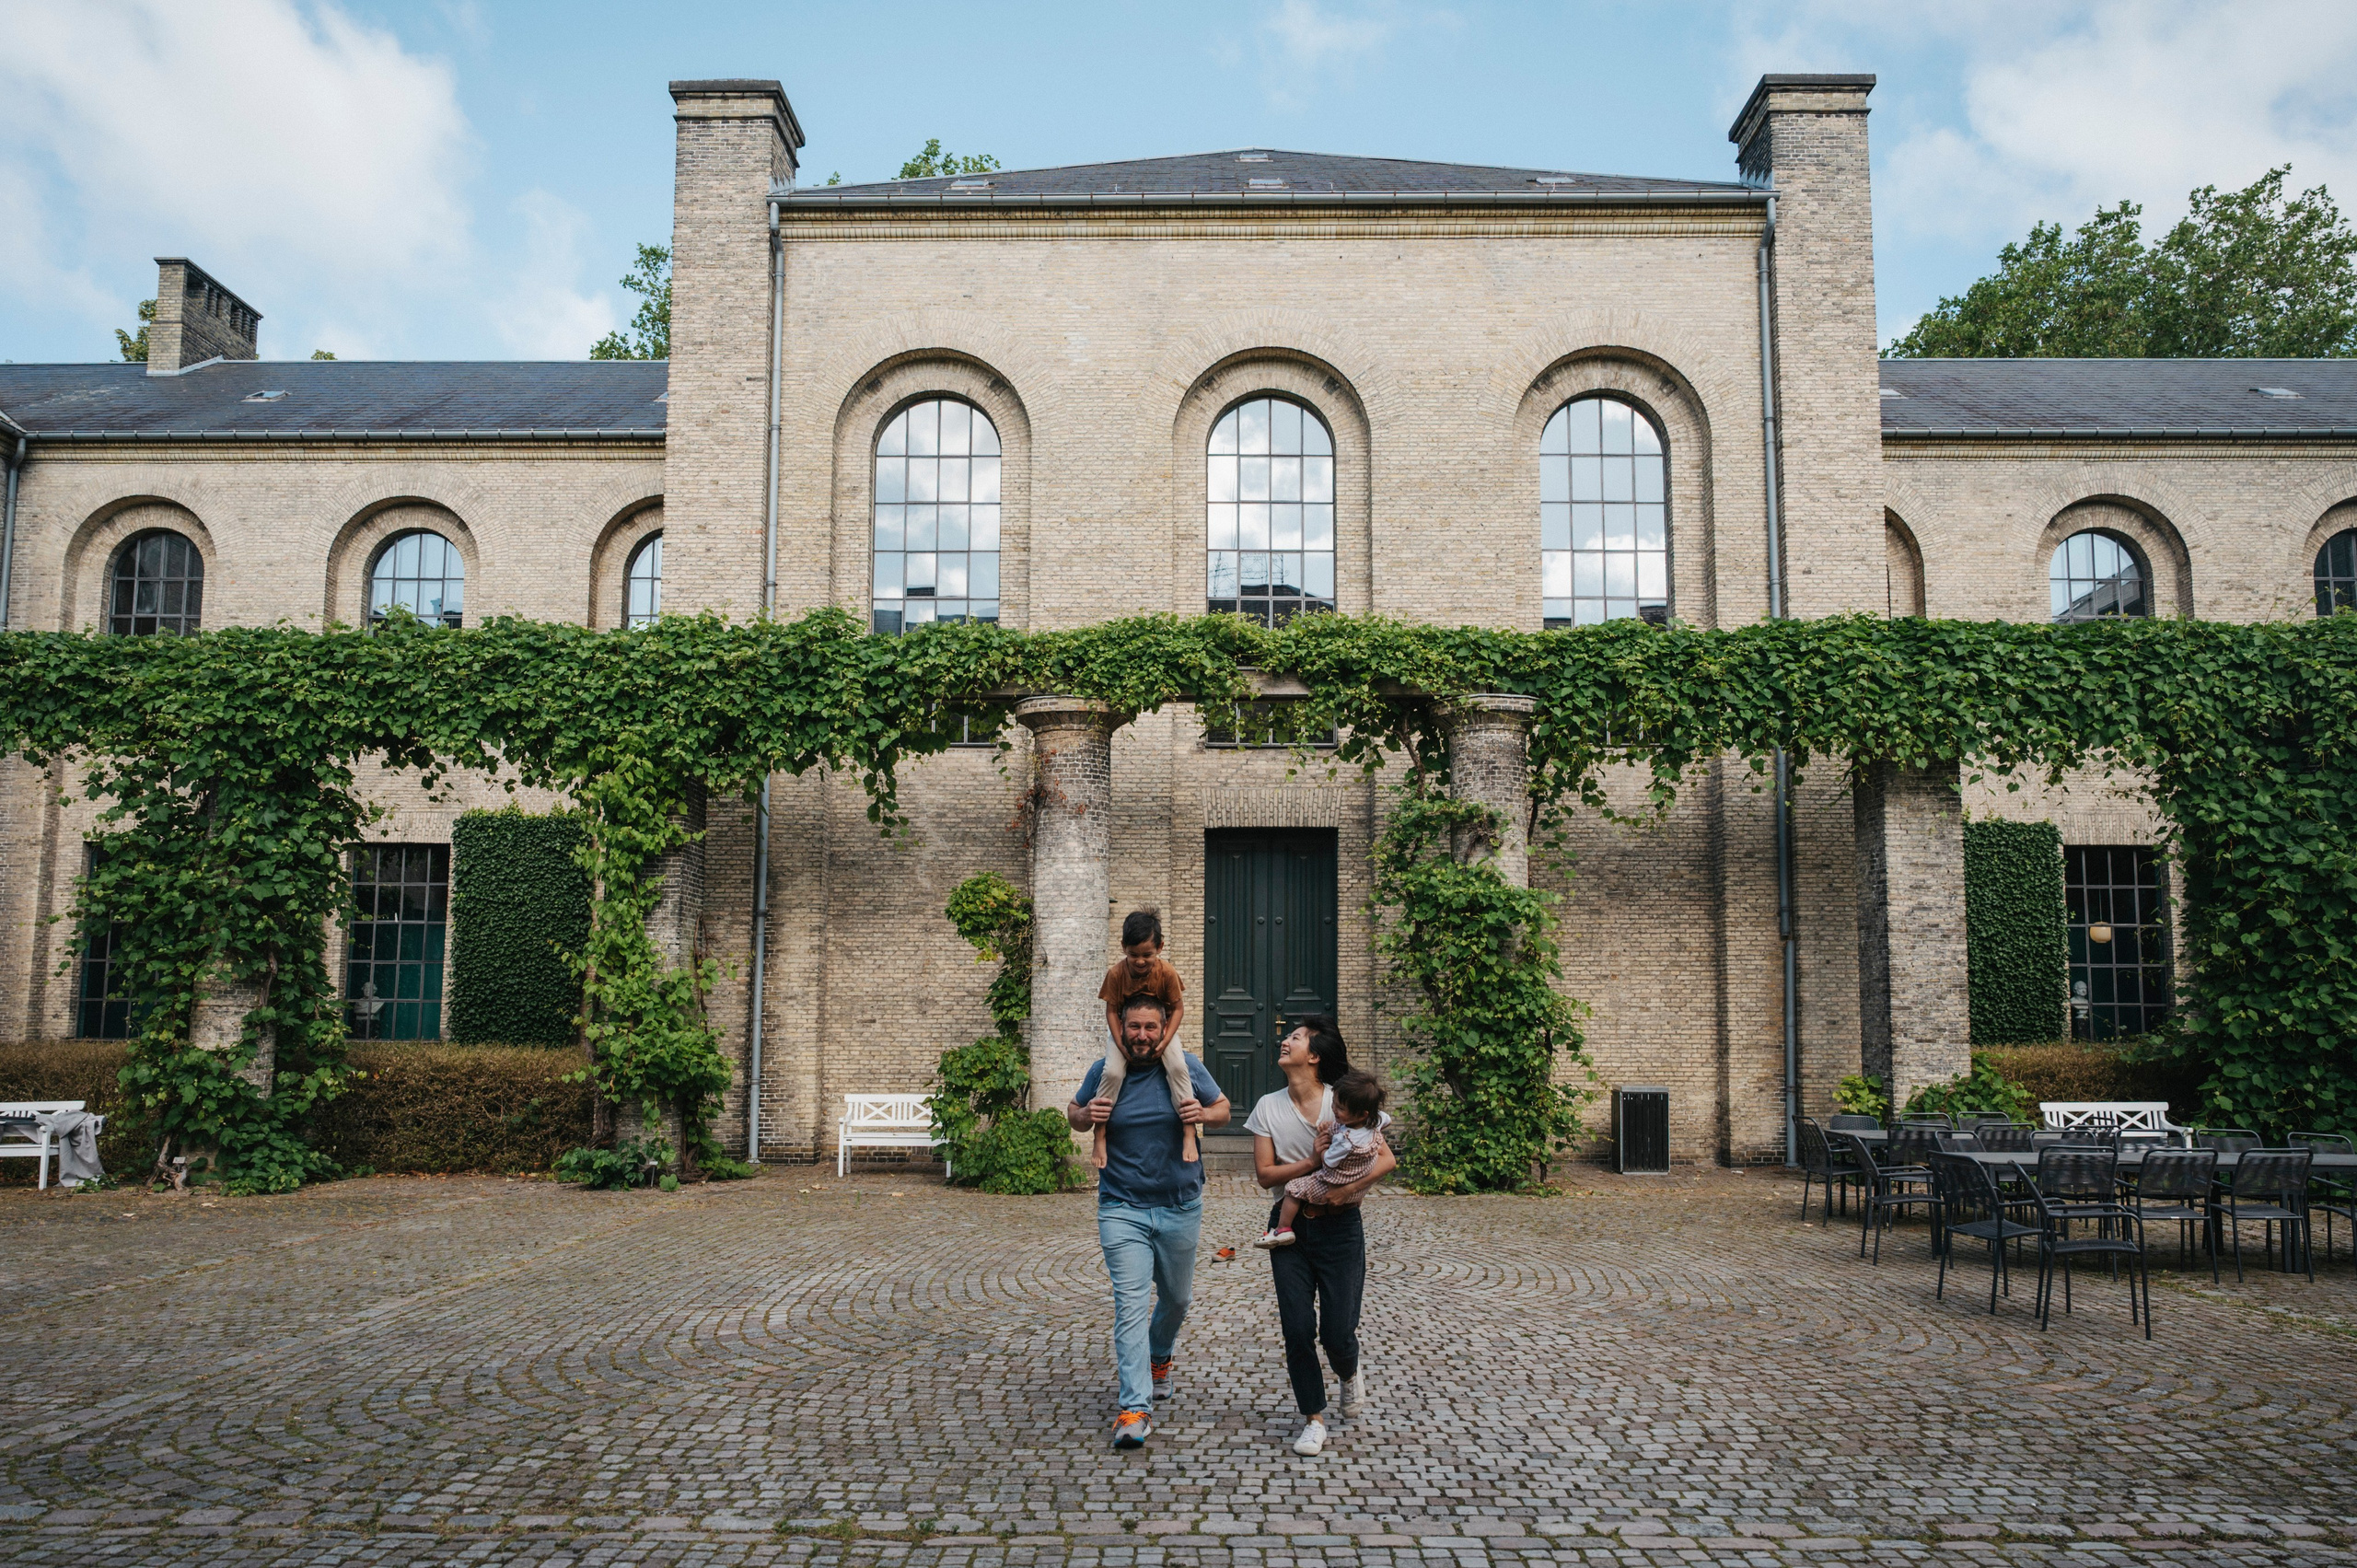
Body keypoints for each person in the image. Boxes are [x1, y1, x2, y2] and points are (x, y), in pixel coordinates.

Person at [1069, 989, 1229, 1449]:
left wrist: (1203, 1113)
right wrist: (1084, 1113)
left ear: (1165, 1029)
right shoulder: (1104, 1071)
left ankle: (1161, 1357)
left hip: (1180, 1204)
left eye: (1150, 1027)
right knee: (1130, 1304)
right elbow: (1074, 1114)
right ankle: (1135, 1407)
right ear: (1120, 1027)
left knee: (1177, 1299)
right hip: (1121, 1206)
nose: (1140, 1036)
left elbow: (1222, 1110)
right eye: (1133, 1027)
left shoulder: (1186, 1067)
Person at [1245, 1016, 1394, 1457]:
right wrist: (1311, 1166)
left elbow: (1386, 1160)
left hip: (1341, 1225)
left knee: (1337, 1331)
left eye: (1294, 1037)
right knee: (1296, 1328)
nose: (1283, 1041)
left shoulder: (1343, 1101)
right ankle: (1312, 1417)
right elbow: (1264, 1175)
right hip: (1288, 1225)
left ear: (1314, 1056)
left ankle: (1349, 1371)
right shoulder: (1267, 1107)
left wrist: (1347, 1190)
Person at [1092, 909, 1196, 1167]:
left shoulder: (1167, 973)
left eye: (1147, 955)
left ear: (1160, 947)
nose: (1140, 961)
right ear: (1123, 948)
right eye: (1133, 955)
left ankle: (1189, 1130)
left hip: (1162, 1029)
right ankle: (1100, 1132)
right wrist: (1120, 1045)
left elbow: (1178, 1009)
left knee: (1178, 1067)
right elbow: (1111, 1012)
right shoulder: (1116, 974)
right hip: (1124, 1030)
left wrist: (1164, 1041)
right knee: (1113, 1072)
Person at [1255, 1069, 1389, 1249]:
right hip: (1351, 1197)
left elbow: (1331, 1161)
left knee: (1294, 1188)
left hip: (1335, 1193)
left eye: (1339, 1108)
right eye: (1334, 1105)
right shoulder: (1372, 1121)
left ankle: (1282, 1228)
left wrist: (1319, 1156)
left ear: (1314, 1056)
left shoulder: (1345, 1139)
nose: (1334, 1110)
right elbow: (1384, 1119)